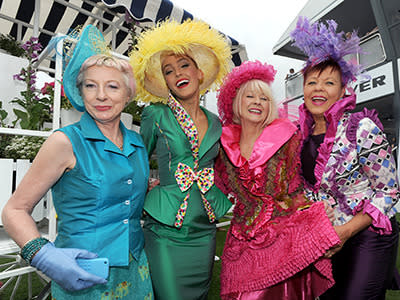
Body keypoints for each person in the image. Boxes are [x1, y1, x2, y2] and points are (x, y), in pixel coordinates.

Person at [1, 25, 153, 299]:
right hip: (82, 274)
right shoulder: (64, 142)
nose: (101, 96)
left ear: (128, 94)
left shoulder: (137, 143)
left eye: (112, 86)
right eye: (90, 86)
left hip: (135, 269)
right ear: (80, 93)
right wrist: (43, 255)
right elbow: (14, 210)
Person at [291, 17, 400, 299]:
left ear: (343, 91)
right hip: (326, 237)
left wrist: (347, 230)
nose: (319, 89)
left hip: (368, 233)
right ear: (303, 90)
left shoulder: (362, 128)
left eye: (329, 82)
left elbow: (388, 190)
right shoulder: (296, 136)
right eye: (312, 82)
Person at [214, 60, 341, 300]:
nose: (257, 103)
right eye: (250, 96)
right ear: (236, 102)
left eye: (263, 98)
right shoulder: (222, 145)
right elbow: (215, 185)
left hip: (280, 242)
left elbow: (297, 188)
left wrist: (315, 211)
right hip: (239, 244)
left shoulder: (287, 137)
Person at [130, 19, 233, 300]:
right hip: (164, 228)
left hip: (204, 228)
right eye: (169, 71)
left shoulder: (216, 123)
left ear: (199, 73)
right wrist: (145, 186)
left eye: (184, 65)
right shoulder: (156, 114)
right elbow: (138, 157)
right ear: (165, 82)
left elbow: (224, 167)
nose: (178, 73)